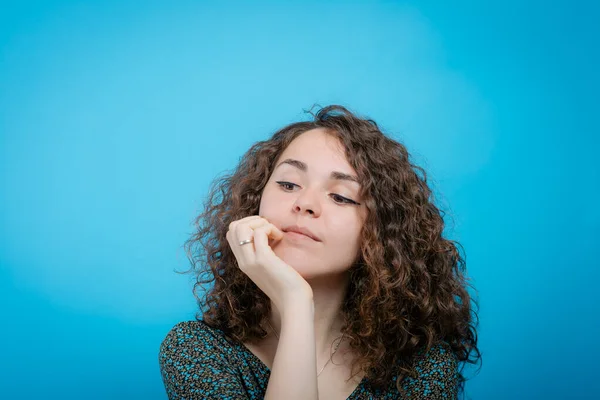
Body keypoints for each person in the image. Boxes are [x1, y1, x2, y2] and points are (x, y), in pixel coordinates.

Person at [158, 105, 481, 399]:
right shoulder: (198, 349)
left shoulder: (421, 366)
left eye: (340, 197)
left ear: (382, 232)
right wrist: (297, 303)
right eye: (288, 184)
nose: (305, 204)